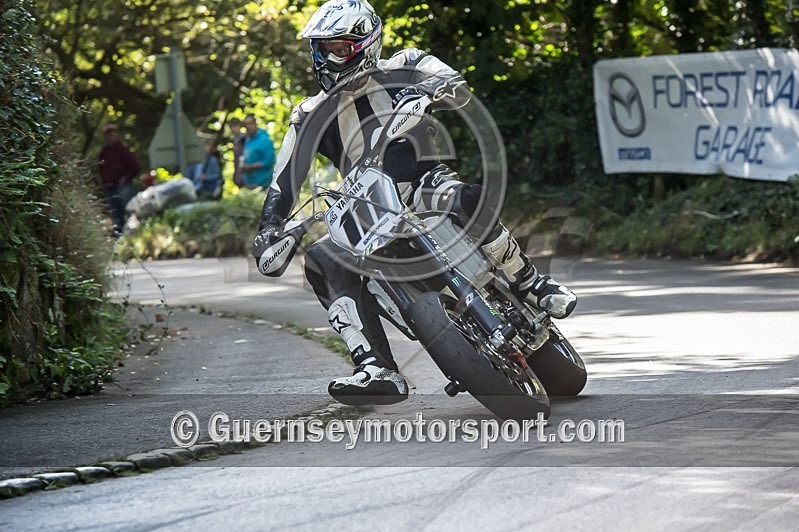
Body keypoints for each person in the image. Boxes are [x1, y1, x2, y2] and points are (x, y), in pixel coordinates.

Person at [251, 0, 577, 406]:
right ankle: (374, 367)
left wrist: (423, 92)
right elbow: (284, 182)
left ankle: (532, 285)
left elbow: (454, 84)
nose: (327, 57)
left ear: (365, 42)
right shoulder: (308, 114)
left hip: (424, 184)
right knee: (322, 257)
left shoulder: (404, 63)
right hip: (364, 207)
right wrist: (270, 227)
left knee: (467, 199)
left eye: (338, 47)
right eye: (322, 48)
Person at [98, 122, 140, 235]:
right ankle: (120, 235)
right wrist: (104, 181)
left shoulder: (122, 149)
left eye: (111, 134)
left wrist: (125, 178)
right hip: (110, 187)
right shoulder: (104, 151)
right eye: (107, 134)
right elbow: (101, 167)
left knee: (129, 210)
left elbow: (135, 167)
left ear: (115, 134)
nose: (109, 136)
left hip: (122, 186)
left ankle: (134, 232)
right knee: (115, 214)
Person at [239, 114, 275, 189]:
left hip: (263, 184)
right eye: (245, 124)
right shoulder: (247, 139)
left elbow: (269, 161)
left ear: (255, 124)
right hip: (249, 184)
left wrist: (250, 167)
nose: (248, 127)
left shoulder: (265, 140)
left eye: (250, 123)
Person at [228, 117, 247, 188]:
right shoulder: (234, 139)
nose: (233, 129)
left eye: (235, 126)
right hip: (237, 167)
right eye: (231, 127)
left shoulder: (244, 138)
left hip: (246, 167)